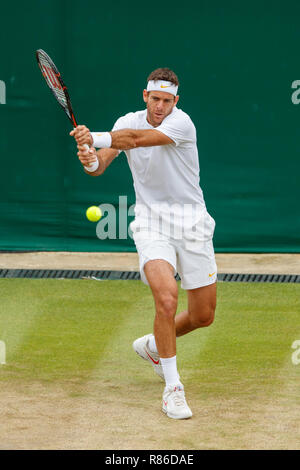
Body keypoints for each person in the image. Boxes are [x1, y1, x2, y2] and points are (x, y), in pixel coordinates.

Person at [70, 68, 217, 420]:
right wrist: (91, 158)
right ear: (145, 96)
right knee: (166, 298)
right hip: (152, 225)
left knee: (203, 316)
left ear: (176, 102)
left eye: (168, 101)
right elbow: (100, 165)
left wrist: (96, 138)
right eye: (156, 99)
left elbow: (133, 140)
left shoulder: (182, 124)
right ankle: (173, 388)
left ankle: (152, 346)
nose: (161, 106)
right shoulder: (127, 121)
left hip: (194, 225)